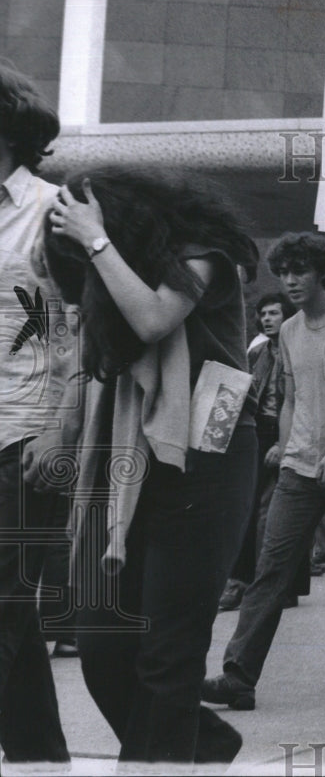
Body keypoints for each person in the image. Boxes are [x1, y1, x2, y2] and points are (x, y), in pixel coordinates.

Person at [40, 166, 258, 763]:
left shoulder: (203, 256)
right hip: (126, 462)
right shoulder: (109, 274)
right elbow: (85, 365)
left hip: (207, 462)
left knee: (169, 649)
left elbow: (155, 318)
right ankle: (205, 743)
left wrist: (96, 240)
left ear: (120, 224)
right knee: (103, 645)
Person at [202, 233, 325, 710]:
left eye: (299, 271)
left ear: (320, 271)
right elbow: (290, 397)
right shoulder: (286, 331)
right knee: (270, 570)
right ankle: (238, 676)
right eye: (283, 273)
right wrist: (286, 447)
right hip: (299, 470)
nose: (290, 281)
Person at [0, 60, 71, 764]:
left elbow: (81, 326)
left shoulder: (53, 210)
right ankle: (41, 757)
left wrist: (59, 427)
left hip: (23, 434)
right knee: (11, 610)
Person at [219, 292, 295, 612]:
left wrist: (283, 442)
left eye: (274, 313)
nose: (267, 319)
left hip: (288, 431)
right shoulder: (259, 351)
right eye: (263, 313)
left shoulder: (294, 348)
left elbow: (297, 399)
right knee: (249, 510)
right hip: (258, 430)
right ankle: (245, 580)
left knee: (274, 515)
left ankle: (273, 585)